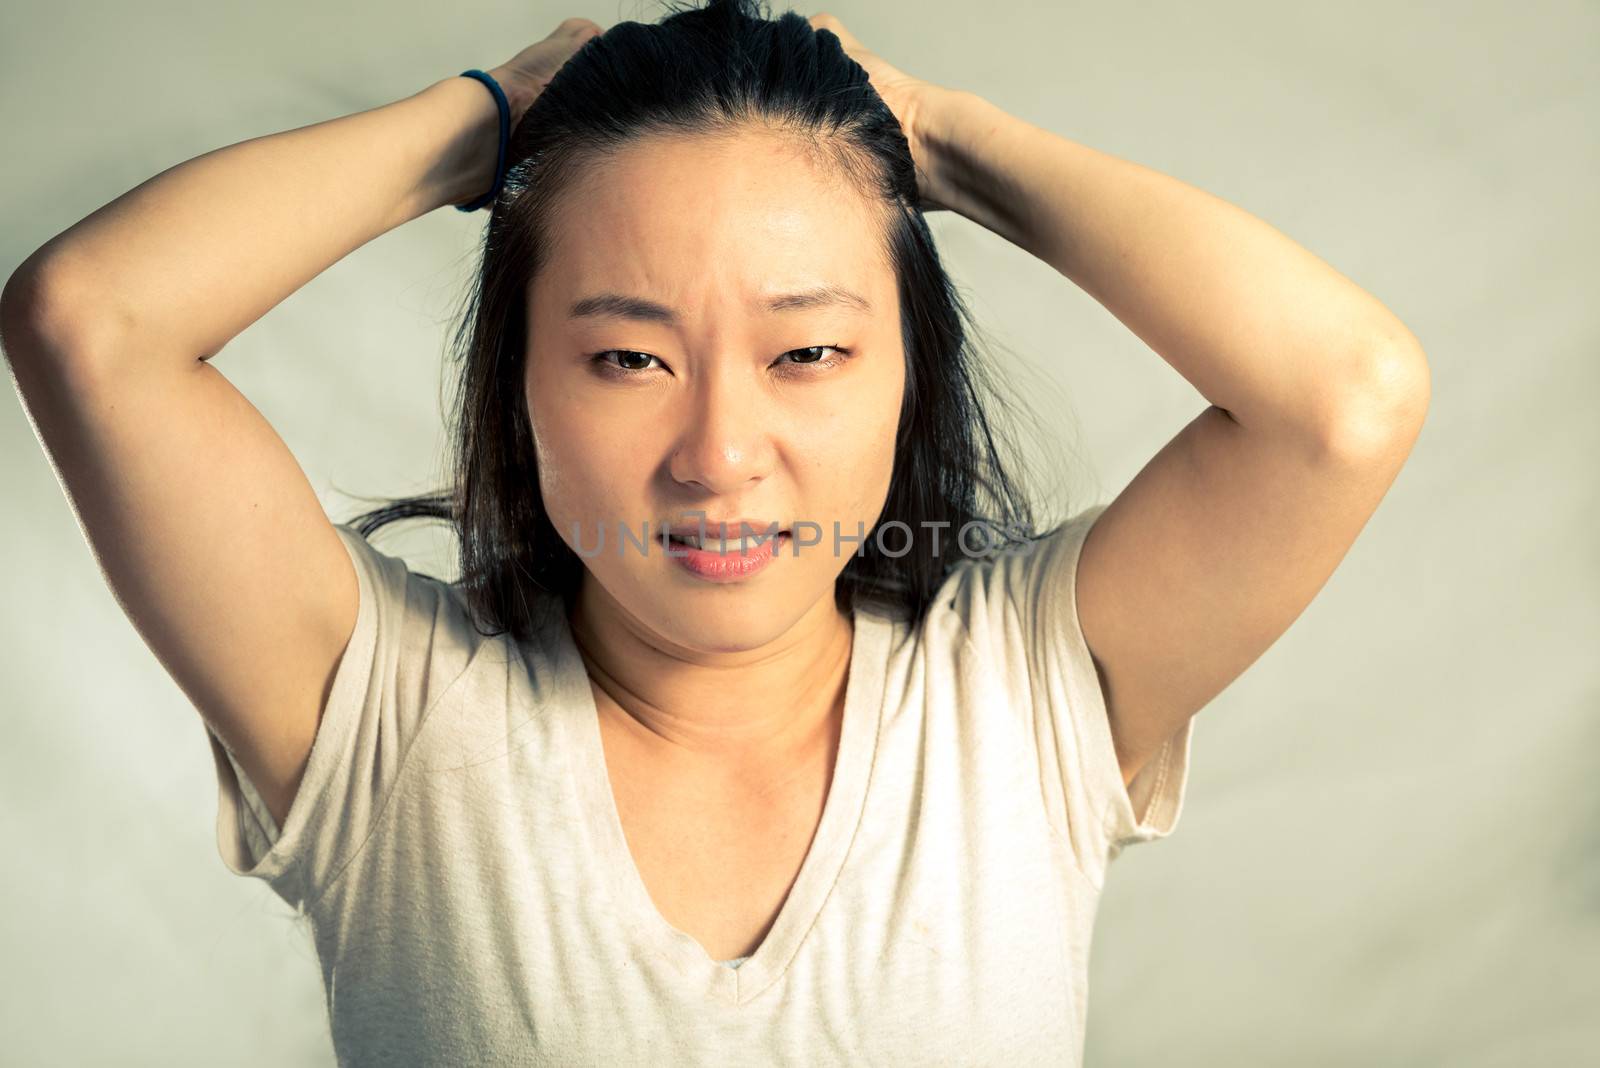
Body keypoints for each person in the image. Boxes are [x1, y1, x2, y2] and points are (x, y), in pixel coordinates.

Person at [1, 0, 1429, 1063]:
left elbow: (1345, 400)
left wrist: (929, 139)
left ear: (906, 372)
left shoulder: (1024, 694)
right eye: (631, 360)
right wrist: (494, 115)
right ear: (520, 384)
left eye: (805, 355)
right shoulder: (384, 720)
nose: (720, 456)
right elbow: (91, 323)